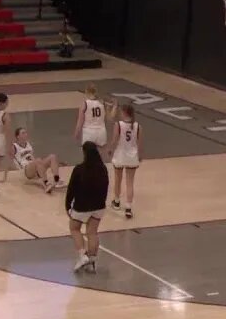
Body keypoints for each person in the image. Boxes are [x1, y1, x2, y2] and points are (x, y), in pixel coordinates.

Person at [66, 141, 109, 274]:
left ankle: (82, 256)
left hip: (82, 206)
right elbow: (106, 186)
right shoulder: (103, 168)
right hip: (99, 206)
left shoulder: (79, 169)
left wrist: (67, 204)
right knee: (92, 232)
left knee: (74, 228)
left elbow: (71, 189)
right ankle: (92, 262)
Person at [107, 101, 140, 218]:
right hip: (132, 156)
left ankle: (116, 202)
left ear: (125, 113)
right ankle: (128, 207)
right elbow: (139, 143)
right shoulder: (137, 126)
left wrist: (110, 149)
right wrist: (140, 155)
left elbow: (115, 140)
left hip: (120, 155)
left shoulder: (119, 125)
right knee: (130, 182)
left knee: (118, 179)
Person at [12, 127, 61, 194]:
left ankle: (57, 180)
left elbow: (32, 158)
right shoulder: (14, 146)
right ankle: (46, 184)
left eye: (26, 132)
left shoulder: (28, 144)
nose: (25, 134)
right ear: (18, 136)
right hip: (25, 171)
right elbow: (8, 155)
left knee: (52, 156)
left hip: (35, 167)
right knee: (38, 160)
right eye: (23, 133)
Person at [75, 83, 109, 150]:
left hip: (89, 132)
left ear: (87, 92)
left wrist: (77, 132)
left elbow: (80, 121)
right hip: (101, 131)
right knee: (100, 156)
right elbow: (106, 118)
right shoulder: (102, 103)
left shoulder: (85, 104)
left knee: (89, 156)